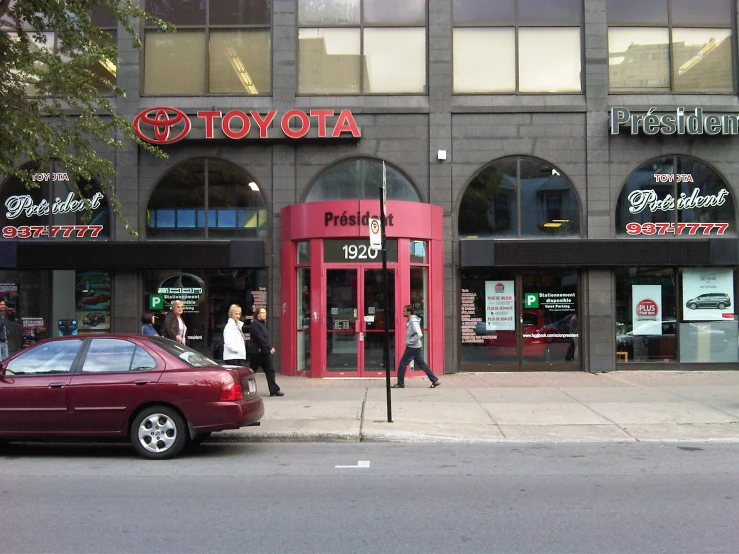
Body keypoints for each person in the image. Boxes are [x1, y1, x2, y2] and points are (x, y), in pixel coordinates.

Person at [393, 304, 440, 389]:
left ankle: (400, 383)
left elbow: (419, 334)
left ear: (409, 312)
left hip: (412, 347)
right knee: (422, 364)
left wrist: (410, 342)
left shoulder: (413, 322)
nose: (403, 312)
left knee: (402, 364)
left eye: (404, 311)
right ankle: (435, 380)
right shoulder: (410, 320)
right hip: (416, 346)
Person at [248, 307, 283, 397]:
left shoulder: (263, 324)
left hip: (264, 352)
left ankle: (274, 390)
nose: (264, 314)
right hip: (257, 353)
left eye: (265, 312)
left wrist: (267, 348)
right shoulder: (255, 324)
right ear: (257, 314)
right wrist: (269, 347)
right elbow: (260, 338)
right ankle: (245, 388)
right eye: (262, 313)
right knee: (251, 372)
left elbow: (265, 338)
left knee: (270, 371)